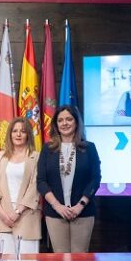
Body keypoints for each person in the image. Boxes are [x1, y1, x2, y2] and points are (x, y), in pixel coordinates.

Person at [37, 105, 101, 253]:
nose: (64, 123)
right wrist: (57, 206)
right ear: (56, 124)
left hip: (83, 212)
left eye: (69, 119)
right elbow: (41, 181)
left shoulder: (89, 148)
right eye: (60, 120)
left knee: (79, 259)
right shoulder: (48, 149)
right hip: (55, 214)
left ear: (76, 122)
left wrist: (80, 205)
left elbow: (95, 179)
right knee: (60, 259)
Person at [0, 117, 41, 254]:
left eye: (23, 131)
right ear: (10, 134)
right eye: (15, 131)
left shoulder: (36, 156)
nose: (18, 134)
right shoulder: (1, 156)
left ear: (28, 135)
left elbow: (35, 186)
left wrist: (18, 211)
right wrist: (1, 212)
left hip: (26, 215)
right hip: (4, 216)